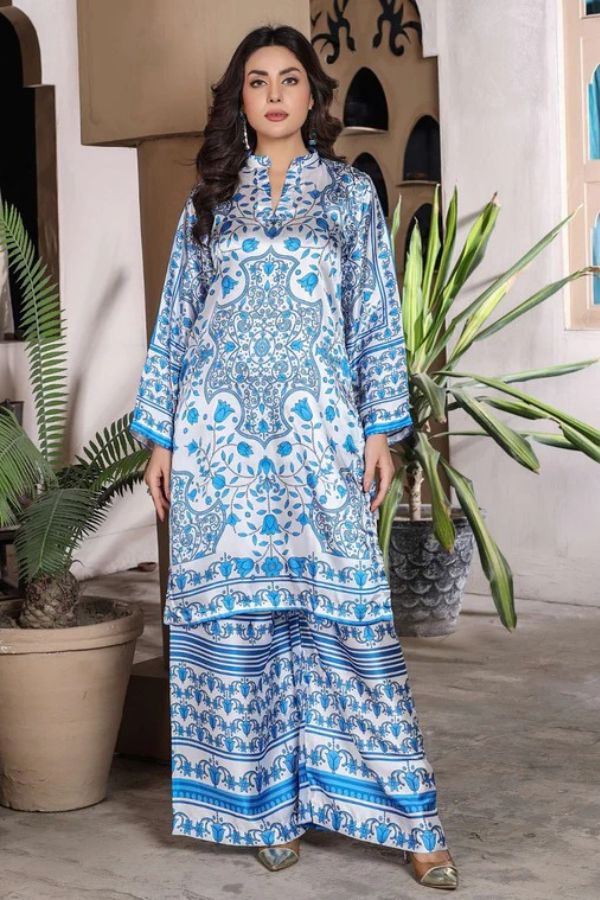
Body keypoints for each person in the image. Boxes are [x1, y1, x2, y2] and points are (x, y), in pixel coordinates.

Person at [129, 23, 458, 891]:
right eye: (256, 81)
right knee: (237, 630)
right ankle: (261, 812)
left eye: (288, 80)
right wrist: (161, 439)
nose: (273, 95)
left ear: (313, 96)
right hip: (220, 447)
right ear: (239, 99)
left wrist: (380, 430)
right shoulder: (207, 203)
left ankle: (412, 821)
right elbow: (176, 321)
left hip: (319, 442)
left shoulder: (348, 197)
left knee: (351, 624)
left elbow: (375, 316)